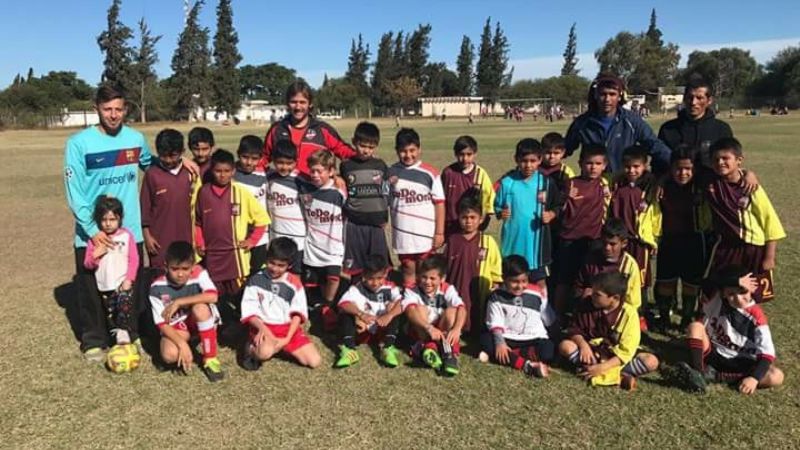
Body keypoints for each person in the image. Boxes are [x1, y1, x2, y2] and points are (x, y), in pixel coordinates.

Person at [64, 85, 160, 360]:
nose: (114, 115)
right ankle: (94, 339)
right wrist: (93, 231)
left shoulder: (135, 138)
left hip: (128, 233)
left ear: (126, 109)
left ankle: (130, 334)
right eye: (108, 109)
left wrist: (179, 161)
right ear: (97, 109)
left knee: (131, 287)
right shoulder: (78, 143)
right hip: (92, 234)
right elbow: (75, 192)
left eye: (118, 109)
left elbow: (151, 166)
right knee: (91, 289)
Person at [675, 265, 784, 394]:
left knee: (776, 376)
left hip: (741, 363)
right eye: (731, 294)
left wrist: (754, 378)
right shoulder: (716, 298)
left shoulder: (756, 316)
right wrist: (735, 282)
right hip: (713, 354)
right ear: (723, 293)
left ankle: (720, 377)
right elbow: (705, 282)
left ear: (752, 289)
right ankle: (699, 373)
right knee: (695, 327)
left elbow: (767, 355)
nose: (738, 298)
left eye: (743, 291)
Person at [703, 138, 785, 303]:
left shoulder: (750, 187)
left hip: (753, 247)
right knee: (718, 290)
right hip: (726, 247)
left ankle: (750, 324)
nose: (720, 162)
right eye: (716, 159)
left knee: (752, 294)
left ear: (739, 160)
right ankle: (716, 325)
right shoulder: (709, 182)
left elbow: (770, 221)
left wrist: (769, 257)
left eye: (726, 158)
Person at [559, 272, 660, 390]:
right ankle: (618, 377)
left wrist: (602, 367)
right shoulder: (587, 304)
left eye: (598, 294)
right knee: (565, 346)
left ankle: (600, 373)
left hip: (615, 359)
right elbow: (574, 329)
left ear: (615, 298)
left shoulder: (629, 314)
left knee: (651, 361)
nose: (592, 296)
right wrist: (583, 345)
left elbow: (626, 351)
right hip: (592, 354)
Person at [194, 150, 270, 301]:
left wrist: (252, 240)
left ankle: (241, 323)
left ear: (233, 171)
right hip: (213, 255)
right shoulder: (203, 192)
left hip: (236, 256)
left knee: (239, 295)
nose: (222, 175)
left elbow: (262, 220)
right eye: (218, 171)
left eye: (227, 171)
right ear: (212, 171)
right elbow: (198, 222)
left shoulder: (241, 192)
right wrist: (200, 243)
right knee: (216, 296)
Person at [239, 237, 321, 370]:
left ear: (289, 265)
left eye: (281, 265)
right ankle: (250, 348)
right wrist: (265, 332)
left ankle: (278, 347)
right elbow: (250, 312)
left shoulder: (294, 283)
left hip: (286, 329)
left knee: (314, 361)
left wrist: (287, 338)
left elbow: (297, 315)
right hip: (264, 326)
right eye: (272, 263)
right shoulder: (255, 280)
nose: (275, 268)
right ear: (267, 259)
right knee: (264, 353)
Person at [148, 241, 224, 382]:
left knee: (200, 308)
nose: (180, 274)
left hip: (196, 319)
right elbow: (161, 324)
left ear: (193, 267)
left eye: (185, 268)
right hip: (177, 327)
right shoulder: (156, 287)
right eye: (175, 269)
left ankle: (210, 358)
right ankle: (188, 342)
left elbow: (213, 296)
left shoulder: (199, 273)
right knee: (169, 355)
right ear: (166, 266)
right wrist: (181, 344)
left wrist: (179, 302)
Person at [564, 74, 670, 174]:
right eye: (603, 94)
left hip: (623, 183)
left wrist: (676, 163)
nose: (607, 99)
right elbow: (564, 149)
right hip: (594, 186)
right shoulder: (582, 123)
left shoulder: (632, 121)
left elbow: (654, 145)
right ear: (595, 95)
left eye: (612, 94)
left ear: (620, 96)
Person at [654, 146, 711, 331]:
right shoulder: (661, 187)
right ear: (671, 169)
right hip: (668, 240)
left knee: (691, 284)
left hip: (694, 240)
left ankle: (687, 318)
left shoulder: (701, 187)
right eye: (678, 168)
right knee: (665, 282)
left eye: (688, 169)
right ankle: (664, 317)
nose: (683, 173)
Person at [494, 138, 561, 286]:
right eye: (524, 161)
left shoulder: (546, 183)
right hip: (513, 243)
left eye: (533, 161)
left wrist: (551, 214)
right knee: (511, 283)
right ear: (516, 160)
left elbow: (558, 205)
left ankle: (542, 308)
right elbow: (497, 207)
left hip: (537, 246)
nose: (528, 165)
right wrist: (500, 213)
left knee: (539, 283)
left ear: (540, 160)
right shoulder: (507, 183)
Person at [552, 144, 610, 313]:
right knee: (564, 280)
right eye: (589, 163)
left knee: (590, 282)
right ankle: (558, 316)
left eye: (598, 164)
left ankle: (585, 316)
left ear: (604, 166)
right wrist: (564, 198)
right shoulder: (571, 183)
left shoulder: (605, 183)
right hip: (569, 240)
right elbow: (559, 207)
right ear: (580, 163)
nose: (593, 167)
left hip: (594, 241)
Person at [388, 128, 446, 288]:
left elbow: (439, 203)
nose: (408, 155)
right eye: (403, 151)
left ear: (419, 149)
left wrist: (439, 233)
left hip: (425, 235)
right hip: (403, 234)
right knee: (407, 268)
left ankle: (427, 309)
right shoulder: (390, 173)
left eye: (412, 150)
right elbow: (385, 200)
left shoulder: (430, 173)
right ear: (397, 151)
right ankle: (410, 306)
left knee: (426, 272)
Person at [608, 145, 661, 321]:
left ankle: (640, 314)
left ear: (645, 165)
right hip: (620, 238)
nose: (632, 170)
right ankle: (617, 311)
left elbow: (655, 215)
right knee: (619, 275)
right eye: (628, 166)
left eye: (636, 166)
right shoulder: (616, 182)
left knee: (641, 279)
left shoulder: (652, 185)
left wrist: (653, 240)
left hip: (639, 241)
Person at [481, 255, 555, 379]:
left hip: (533, 338)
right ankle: (526, 365)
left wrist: (556, 336)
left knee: (548, 350)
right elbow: (494, 323)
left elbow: (548, 317)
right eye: (514, 282)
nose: (520, 286)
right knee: (486, 341)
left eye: (524, 281)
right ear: (504, 279)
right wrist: (500, 343)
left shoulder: (537, 292)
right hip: (507, 338)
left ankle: (511, 357)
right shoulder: (496, 296)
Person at [261, 80, 356, 176]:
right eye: (293, 102)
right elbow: (263, 158)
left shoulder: (322, 130)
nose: (298, 107)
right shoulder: (277, 129)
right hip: (285, 188)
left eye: (302, 102)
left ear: (310, 104)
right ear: (287, 103)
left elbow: (346, 152)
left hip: (314, 188)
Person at [444, 192, 502, 337]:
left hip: (479, 292)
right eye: (464, 217)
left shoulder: (487, 242)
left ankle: (476, 330)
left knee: (477, 311)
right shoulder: (452, 240)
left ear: (481, 219)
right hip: (457, 286)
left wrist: (495, 283)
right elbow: (444, 267)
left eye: (472, 217)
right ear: (458, 218)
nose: (468, 221)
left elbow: (496, 267)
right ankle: (457, 327)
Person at [83, 196, 139, 347]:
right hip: (104, 285)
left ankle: (125, 335)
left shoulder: (126, 236)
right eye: (104, 220)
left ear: (119, 218)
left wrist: (129, 279)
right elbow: (87, 263)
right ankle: (113, 336)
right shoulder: (95, 240)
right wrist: (96, 255)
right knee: (110, 314)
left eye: (112, 219)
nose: (108, 224)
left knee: (124, 308)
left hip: (122, 284)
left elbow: (134, 260)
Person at [300, 150, 347, 330]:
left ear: (331, 171)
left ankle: (328, 306)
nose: (316, 175)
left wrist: (340, 178)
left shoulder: (339, 192)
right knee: (313, 280)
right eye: (313, 171)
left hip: (333, 245)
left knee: (333, 278)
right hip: (313, 245)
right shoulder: (305, 188)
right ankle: (317, 307)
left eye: (320, 171)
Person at [339, 122, 390, 279]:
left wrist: (383, 216)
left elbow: (385, 193)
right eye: (362, 145)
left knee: (378, 266)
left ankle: (379, 296)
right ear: (354, 142)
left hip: (376, 224)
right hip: (354, 223)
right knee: (356, 268)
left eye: (371, 147)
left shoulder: (381, 165)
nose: (366, 150)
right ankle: (355, 295)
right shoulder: (346, 166)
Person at [335, 254, 404, 368]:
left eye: (379, 278)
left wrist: (389, 315)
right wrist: (360, 314)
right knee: (346, 310)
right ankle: (349, 349)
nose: (375, 283)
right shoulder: (357, 288)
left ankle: (387, 347)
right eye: (371, 278)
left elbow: (403, 303)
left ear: (386, 274)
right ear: (364, 275)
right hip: (363, 330)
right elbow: (343, 304)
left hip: (382, 328)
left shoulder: (391, 288)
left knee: (394, 307)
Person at [140, 128, 194, 274]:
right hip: (159, 239)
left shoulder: (190, 173)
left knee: (184, 272)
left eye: (173, 156)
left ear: (182, 152)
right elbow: (145, 208)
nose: (169, 160)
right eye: (164, 156)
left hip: (186, 236)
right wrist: (147, 236)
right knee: (160, 275)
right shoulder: (152, 174)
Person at [402, 255, 466, 376]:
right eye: (424, 277)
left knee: (452, 311)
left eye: (432, 278)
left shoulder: (448, 288)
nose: (427, 282)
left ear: (442, 279)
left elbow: (462, 308)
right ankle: (429, 346)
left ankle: (441, 350)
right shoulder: (412, 290)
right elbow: (409, 311)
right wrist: (429, 328)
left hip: (441, 330)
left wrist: (457, 329)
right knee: (419, 308)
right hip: (422, 330)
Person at [575, 219, 642, 311]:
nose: (607, 248)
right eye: (604, 243)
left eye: (612, 244)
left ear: (624, 243)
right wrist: (585, 295)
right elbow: (578, 288)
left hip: (617, 314)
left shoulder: (629, 266)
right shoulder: (591, 260)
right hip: (591, 310)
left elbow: (633, 303)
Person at [265, 140, 308, 273]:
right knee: (276, 272)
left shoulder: (302, 179)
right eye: (280, 163)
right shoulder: (269, 177)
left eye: (289, 163)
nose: (284, 167)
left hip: (298, 238)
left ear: (296, 161)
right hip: (276, 235)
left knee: (295, 273)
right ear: (273, 160)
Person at [440, 135, 495, 238]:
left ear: (475, 154)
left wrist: (480, 225)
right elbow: (440, 200)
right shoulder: (448, 173)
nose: (465, 158)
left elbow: (488, 205)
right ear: (455, 154)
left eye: (469, 154)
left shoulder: (480, 174)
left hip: (471, 229)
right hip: (450, 227)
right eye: (461, 154)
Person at [234, 135, 270, 275]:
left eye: (254, 158)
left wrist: (335, 177)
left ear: (261, 158)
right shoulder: (229, 173)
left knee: (256, 272)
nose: (249, 162)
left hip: (260, 237)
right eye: (245, 157)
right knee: (240, 273)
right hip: (238, 236)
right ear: (238, 154)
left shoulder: (267, 174)